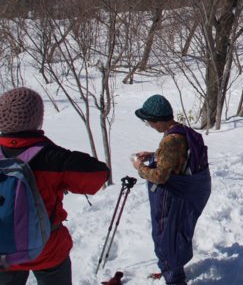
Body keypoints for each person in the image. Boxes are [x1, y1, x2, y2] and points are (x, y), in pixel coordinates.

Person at [0, 87, 110, 285]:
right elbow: (99, 175)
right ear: (37, 118)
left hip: (4, 251)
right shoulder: (53, 158)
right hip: (47, 249)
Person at [131, 95, 211, 285]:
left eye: (149, 121)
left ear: (158, 120)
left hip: (176, 196)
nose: (149, 125)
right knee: (177, 232)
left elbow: (160, 176)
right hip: (193, 190)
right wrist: (154, 154)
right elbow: (179, 154)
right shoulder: (182, 130)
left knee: (166, 236)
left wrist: (139, 167)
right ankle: (175, 270)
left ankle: (175, 279)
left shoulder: (170, 141)